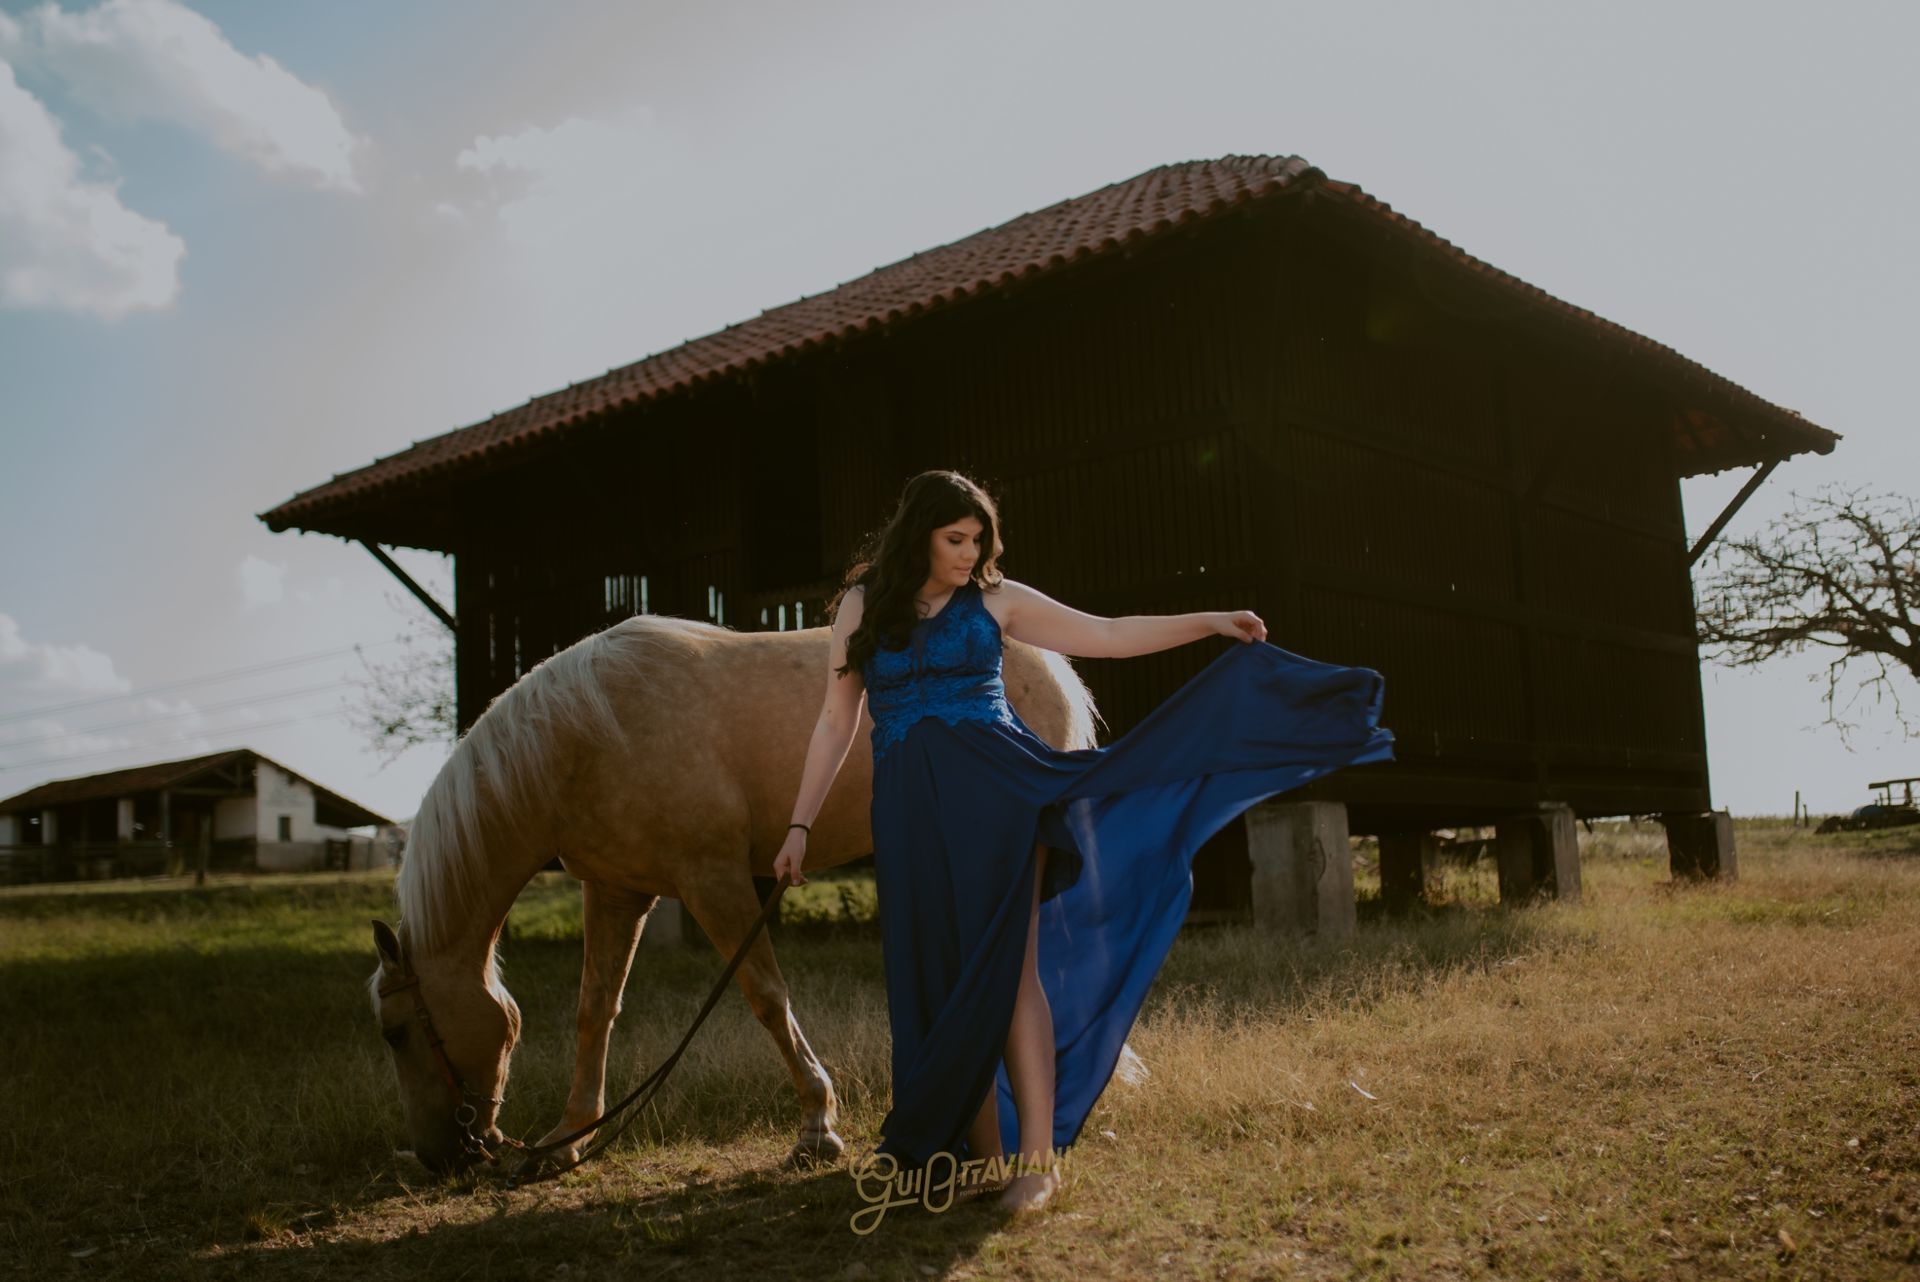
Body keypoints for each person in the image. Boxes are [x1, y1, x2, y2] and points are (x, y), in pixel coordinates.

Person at [772, 470, 1394, 1215]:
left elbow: (1105, 635)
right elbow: (836, 721)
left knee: (1008, 974)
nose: (969, 554)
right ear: (919, 535)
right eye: (955, 539)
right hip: (907, 812)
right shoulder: (863, 604)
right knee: (937, 976)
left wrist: (1209, 621)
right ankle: (983, 1160)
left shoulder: (995, 600)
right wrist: (799, 826)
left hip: (1000, 797)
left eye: (978, 540)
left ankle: (1038, 1165)